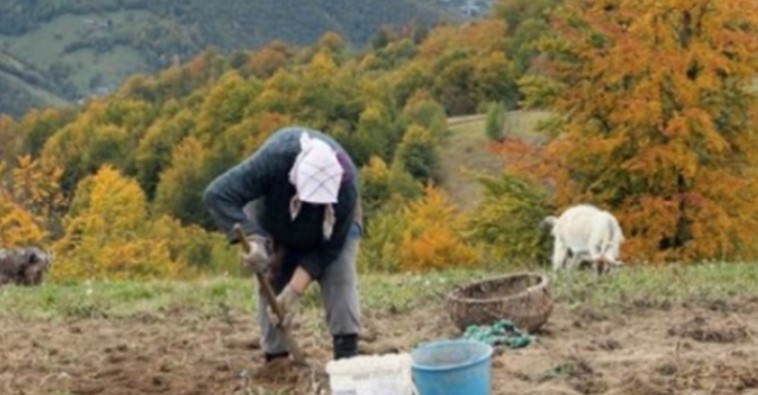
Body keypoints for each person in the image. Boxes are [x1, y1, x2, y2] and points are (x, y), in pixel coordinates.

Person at [203, 126, 362, 363]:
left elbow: (327, 250)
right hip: (273, 224)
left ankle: (347, 359)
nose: (313, 209)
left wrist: (294, 291)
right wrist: (254, 238)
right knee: (271, 279)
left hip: (328, 234)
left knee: (340, 274)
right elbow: (218, 194)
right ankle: (277, 361)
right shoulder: (276, 159)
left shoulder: (346, 188)